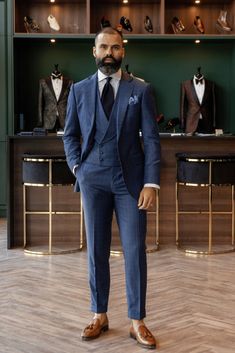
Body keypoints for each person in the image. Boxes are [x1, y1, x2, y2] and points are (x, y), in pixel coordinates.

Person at [63, 27, 161, 349]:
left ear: (123, 50)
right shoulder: (79, 90)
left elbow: (151, 139)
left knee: (135, 251)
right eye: (103, 47)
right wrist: (78, 167)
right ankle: (99, 315)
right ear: (94, 51)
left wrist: (151, 182)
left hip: (129, 182)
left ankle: (137, 321)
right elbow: (70, 135)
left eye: (115, 47)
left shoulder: (141, 90)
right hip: (92, 179)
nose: (109, 52)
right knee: (96, 250)